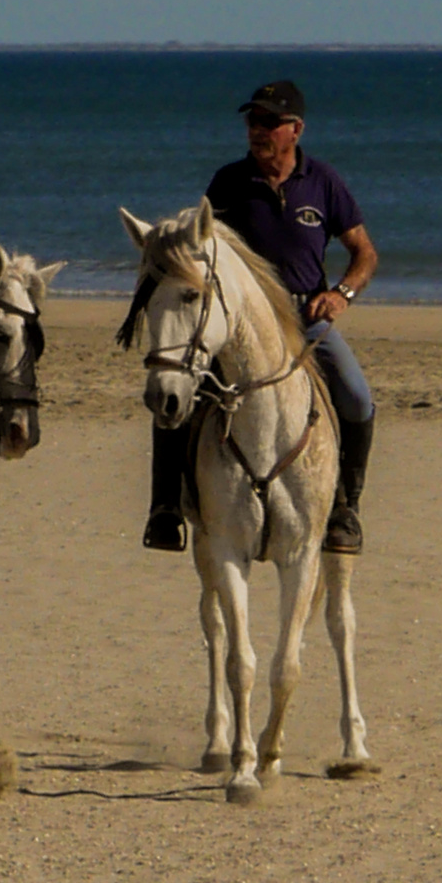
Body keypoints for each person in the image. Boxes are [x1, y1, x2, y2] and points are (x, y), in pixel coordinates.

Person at [144, 79, 379, 554]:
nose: (258, 130)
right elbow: (202, 252)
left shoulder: (324, 183)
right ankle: (165, 507)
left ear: (296, 129)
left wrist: (341, 294)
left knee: (356, 398)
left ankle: (344, 509)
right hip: (243, 325)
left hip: (306, 321)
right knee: (178, 393)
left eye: (270, 122)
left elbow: (364, 253)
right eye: (254, 120)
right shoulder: (228, 184)